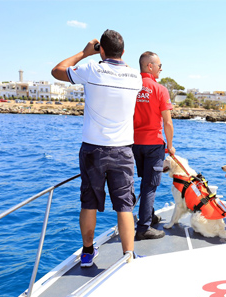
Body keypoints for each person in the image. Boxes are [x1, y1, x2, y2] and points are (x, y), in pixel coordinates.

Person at [51, 30, 142, 266]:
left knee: (89, 201)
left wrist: (84, 52)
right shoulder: (136, 77)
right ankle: (128, 256)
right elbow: (122, 63)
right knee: (124, 204)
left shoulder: (91, 69)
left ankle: (88, 253)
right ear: (123, 51)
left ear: (100, 49)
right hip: (122, 149)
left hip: (93, 149)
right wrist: (108, 52)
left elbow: (57, 71)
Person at [133, 51, 175, 240]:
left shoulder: (131, 86)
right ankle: (143, 228)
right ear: (150, 66)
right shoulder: (160, 89)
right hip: (153, 144)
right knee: (150, 185)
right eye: (159, 65)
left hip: (134, 144)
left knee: (144, 182)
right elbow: (167, 122)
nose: (161, 68)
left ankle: (148, 215)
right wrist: (171, 145)